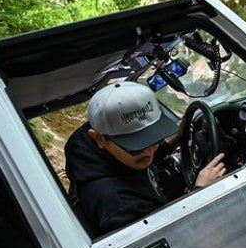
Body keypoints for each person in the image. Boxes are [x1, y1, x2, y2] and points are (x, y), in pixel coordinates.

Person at [65, 81, 225, 237]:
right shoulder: (117, 204)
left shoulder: (105, 155)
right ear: (99, 138)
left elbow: (144, 158)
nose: (149, 151)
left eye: (153, 139)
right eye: (136, 145)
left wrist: (174, 140)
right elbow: (170, 240)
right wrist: (200, 193)